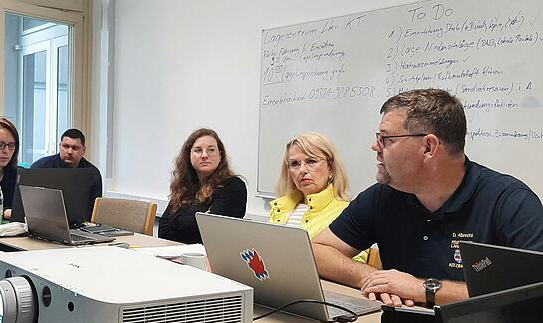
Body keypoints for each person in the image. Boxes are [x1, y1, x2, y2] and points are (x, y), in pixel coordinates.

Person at [312, 88, 543, 308]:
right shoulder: (383, 196)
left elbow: (531, 290)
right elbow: (318, 251)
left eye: (387, 139)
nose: (375, 147)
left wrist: (423, 288)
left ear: (428, 147)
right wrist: (375, 278)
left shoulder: (510, 202)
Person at [269, 132, 368, 263]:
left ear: (331, 168)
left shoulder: (349, 212)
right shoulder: (280, 207)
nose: (302, 170)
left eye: (311, 161)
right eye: (294, 164)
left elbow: (355, 266)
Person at [158, 128, 247, 244]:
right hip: (177, 254)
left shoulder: (233, 186)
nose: (204, 155)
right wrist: (192, 222)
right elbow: (163, 230)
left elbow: (208, 229)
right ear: (189, 156)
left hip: (212, 258)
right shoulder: (184, 186)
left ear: (220, 156)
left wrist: (174, 219)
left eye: (211, 150)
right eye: (198, 150)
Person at [30, 128, 102, 220]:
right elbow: (30, 200)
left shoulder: (92, 173)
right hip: (43, 220)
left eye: (75, 148)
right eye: (66, 146)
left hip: (80, 224)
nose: (69, 152)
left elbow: (93, 208)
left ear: (83, 150)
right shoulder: (41, 167)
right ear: (60, 146)